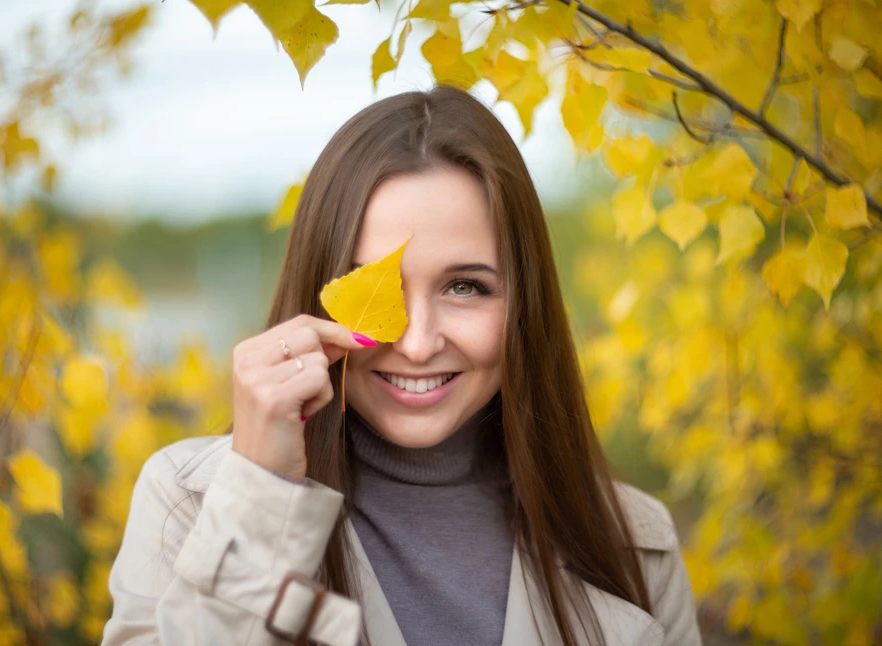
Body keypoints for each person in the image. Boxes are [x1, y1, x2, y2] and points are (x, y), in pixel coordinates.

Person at [101, 83, 702, 646]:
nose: (416, 345)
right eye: (377, 291)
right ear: (318, 294)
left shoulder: (632, 543)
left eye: (465, 287)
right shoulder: (188, 505)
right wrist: (260, 496)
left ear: (524, 305)